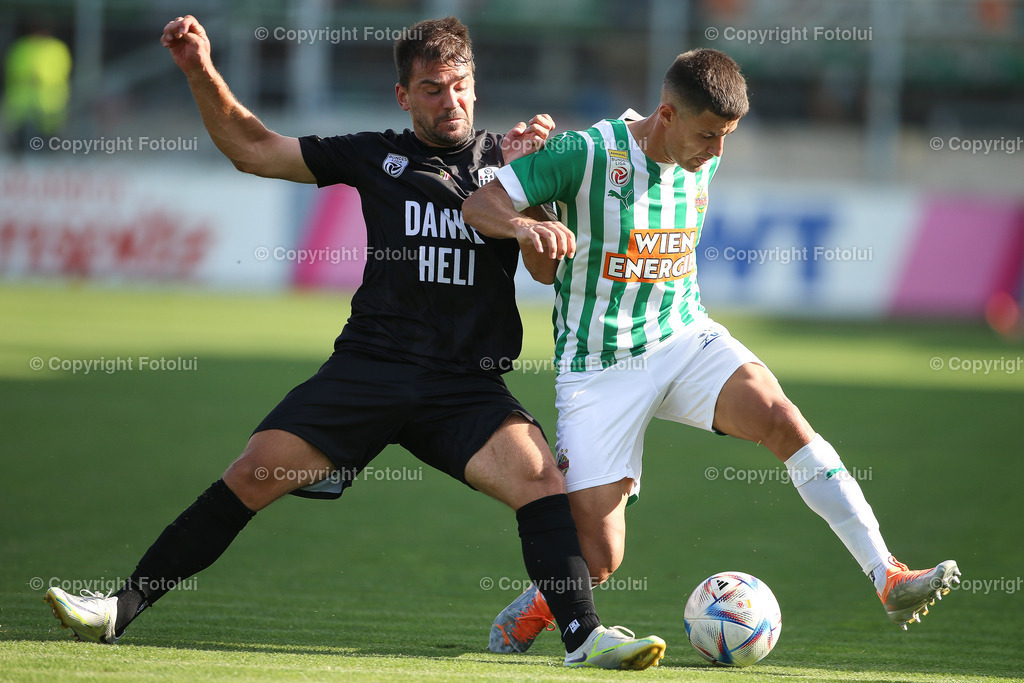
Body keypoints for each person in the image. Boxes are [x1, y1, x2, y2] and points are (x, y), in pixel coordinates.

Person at [43, 15, 667, 670]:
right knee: (254, 471)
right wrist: (200, 68)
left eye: (459, 86)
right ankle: (119, 609)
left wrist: (529, 192)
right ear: (404, 96)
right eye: (431, 88)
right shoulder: (374, 154)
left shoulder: (506, 164)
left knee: (541, 481)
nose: (448, 101)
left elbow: (545, 268)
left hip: (465, 385)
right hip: (370, 368)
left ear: (475, 87)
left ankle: (583, 638)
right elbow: (252, 148)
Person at [462, 47, 961, 654]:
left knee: (782, 418)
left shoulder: (701, 155)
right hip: (599, 370)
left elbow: (695, 166)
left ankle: (887, 574)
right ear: (666, 114)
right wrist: (526, 225)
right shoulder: (585, 153)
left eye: (726, 138)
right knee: (599, 559)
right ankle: (542, 604)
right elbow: (480, 201)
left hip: (684, 338)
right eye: (707, 136)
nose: (716, 153)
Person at [2, 18, 72, 156]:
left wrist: (40, 79)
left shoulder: (56, 48)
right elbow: (11, 69)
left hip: (49, 105)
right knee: (20, 143)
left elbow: (61, 71)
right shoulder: (22, 47)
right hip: (21, 105)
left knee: (48, 142)